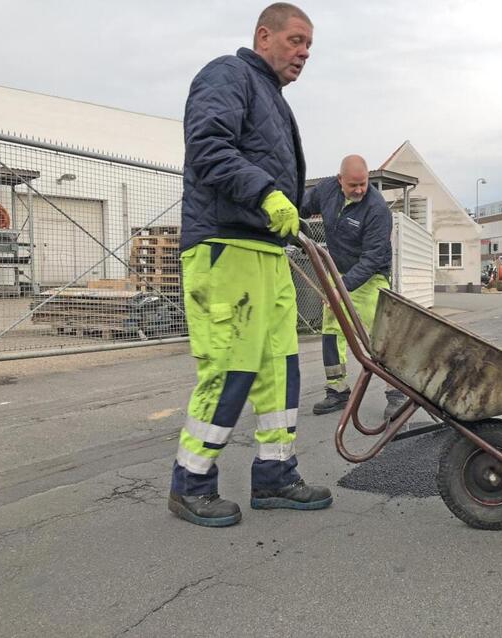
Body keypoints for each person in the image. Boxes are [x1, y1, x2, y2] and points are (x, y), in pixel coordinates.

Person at [168, 3, 332, 528]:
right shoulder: (228, 74)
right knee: (230, 366)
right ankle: (191, 483)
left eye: (310, 45)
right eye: (296, 40)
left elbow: (272, 178)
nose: (304, 52)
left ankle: (275, 475)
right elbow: (208, 149)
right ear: (265, 36)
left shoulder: (274, 101)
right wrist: (267, 194)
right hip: (225, 247)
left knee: (280, 368)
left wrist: (297, 201)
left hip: (265, 252)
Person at [300, 155, 406, 418]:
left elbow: (371, 259)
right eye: (353, 185)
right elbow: (302, 206)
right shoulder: (325, 191)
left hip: (371, 276)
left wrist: (340, 288)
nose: (359, 190)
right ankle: (337, 390)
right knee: (332, 331)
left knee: (377, 333)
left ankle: (397, 393)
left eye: (364, 184)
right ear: (340, 181)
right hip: (339, 272)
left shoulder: (377, 209)